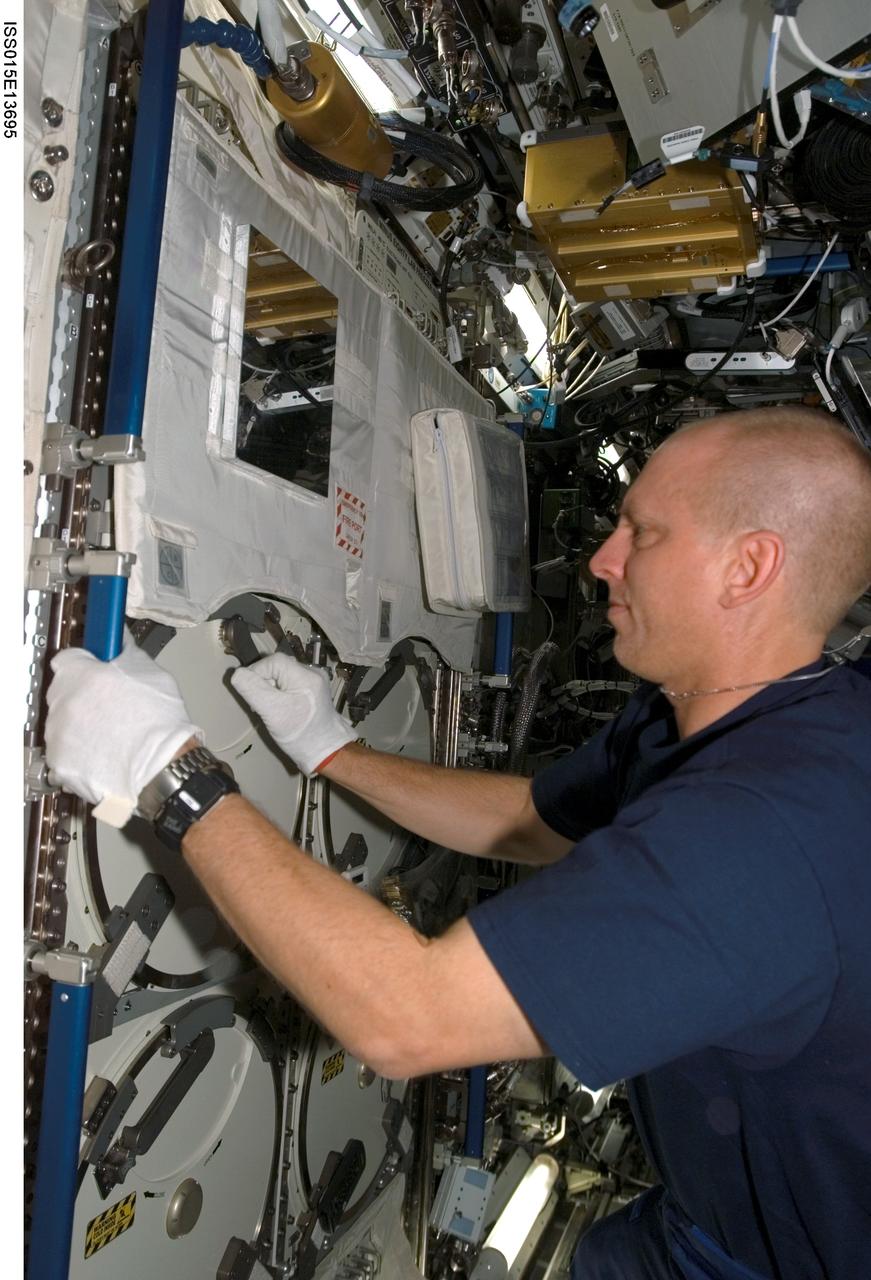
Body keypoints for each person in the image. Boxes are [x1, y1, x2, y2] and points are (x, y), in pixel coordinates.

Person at [45, 407, 871, 1280]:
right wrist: (335, 753)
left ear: (748, 569)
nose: (602, 558)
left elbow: (410, 1019)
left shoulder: (765, 828)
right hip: (702, 1216)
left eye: (644, 532)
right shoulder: (727, 715)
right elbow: (534, 824)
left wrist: (169, 773)